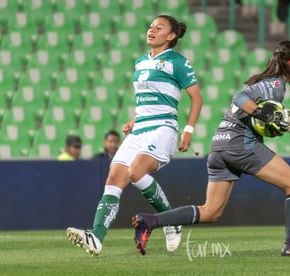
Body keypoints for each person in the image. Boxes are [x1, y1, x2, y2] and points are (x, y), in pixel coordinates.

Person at [132, 40, 290, 257]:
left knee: (211, 211)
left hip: (220, 146)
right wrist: (264, 115)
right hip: (240, 144)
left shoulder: (267, 83)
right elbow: (240, 99)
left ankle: (150, 221)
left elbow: (258, 116)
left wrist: (278, 125)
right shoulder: (275, 84)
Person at [66, 14, 203, 256]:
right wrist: (134, 120)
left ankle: (172, 222)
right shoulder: (140, 62)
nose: (152, 29)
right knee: (113, 179)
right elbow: (146, 102)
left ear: (171, 36)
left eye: (159, 27)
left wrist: (189, 130)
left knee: (136, 171)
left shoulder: (177, 62)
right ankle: (96, 237)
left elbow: (197, 98)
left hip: (163, 128)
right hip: (140, 129)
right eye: (151, 26)